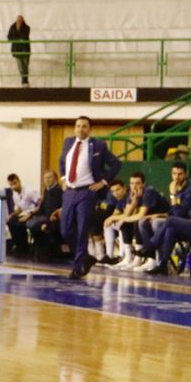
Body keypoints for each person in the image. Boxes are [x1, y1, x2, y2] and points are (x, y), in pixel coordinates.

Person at [57, 116, 122, 280]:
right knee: (65, 230)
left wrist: (103, 182)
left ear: (90, 129)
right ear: (74, 128)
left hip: (87, 191)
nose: (81, 129)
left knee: (82, 230)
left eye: (84, 126)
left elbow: (116, 164)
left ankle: (78, 267)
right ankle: (85, 256)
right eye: (78, 126)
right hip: (70, 191)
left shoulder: (99, 145)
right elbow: (62, 162)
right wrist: (64, 179)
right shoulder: (68, 142)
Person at [4, 173, 39, 256]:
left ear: (19, 181)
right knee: (11, 221)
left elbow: (40, 204)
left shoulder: (29, 191)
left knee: (19, 223)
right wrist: (11, 216)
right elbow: (21, 208)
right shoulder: (15, 195)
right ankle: (19, 246)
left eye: (15, 183)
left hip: (34, 213)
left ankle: (25, 247)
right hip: (25, 213)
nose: (14, 186)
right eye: (11, 185)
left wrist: (30, 214)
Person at [8, 15, 31, 86]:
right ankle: (24, 81)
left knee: (25, 66)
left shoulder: (27, 27)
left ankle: (25, 81)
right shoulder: (12, 27)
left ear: (23, 20)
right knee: (20, 66)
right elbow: (9, 37)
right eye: (18, 19)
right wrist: (18, 39)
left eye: (21, 20)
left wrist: (19, 29)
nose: (19, 21)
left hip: (25, 50)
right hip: (16, 50)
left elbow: (24, 37)